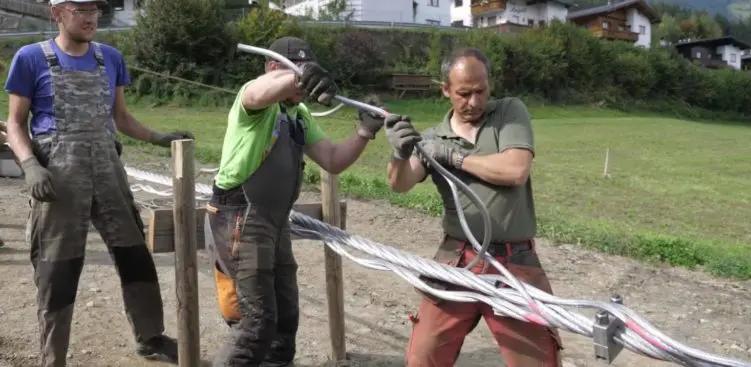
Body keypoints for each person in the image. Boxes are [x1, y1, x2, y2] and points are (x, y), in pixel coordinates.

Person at [4, 0, 194, 365]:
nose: (91, 17)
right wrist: (30, 165)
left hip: (108, 168)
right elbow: (14, 123)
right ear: (57, 13)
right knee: (57, 267)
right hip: (58, 175)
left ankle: (150, 337)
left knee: (134, 253)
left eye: (95, 9)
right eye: (80, 9)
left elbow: (120, 117)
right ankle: (53, 357)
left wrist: (158, 137)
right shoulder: (30, 58)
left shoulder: (110, 58)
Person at [205, 36, 386, 367]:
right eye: (295, 70)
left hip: (275, 223)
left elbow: (332, 159)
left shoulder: (298, 113)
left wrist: (365, 131)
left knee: (285, 320)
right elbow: (260, 90)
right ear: (275, 68)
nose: (303, 82)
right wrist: (297, 75)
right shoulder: (254, 102)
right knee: (255, 324)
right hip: (241, 219)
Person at [384, 47, 564, 367]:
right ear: (445, 90)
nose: (474, 102)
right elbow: (401, 183)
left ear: (489, 85)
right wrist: (398, 154)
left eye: (481, 91)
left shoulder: (509, 112)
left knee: (539, 361)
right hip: (458, 261)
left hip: (513, 263)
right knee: (422, 357)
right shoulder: (431, 138)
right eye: (464, 93)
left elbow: (515, 169)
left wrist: (453, 157)